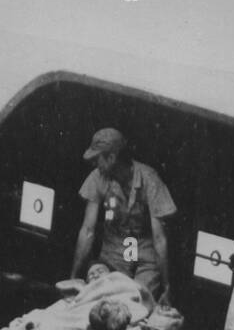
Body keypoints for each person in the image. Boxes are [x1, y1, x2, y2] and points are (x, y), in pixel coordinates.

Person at [72, 128, 176, 300]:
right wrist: (74, 277)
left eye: (98, 159)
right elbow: (87, 230)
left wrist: (167, 286)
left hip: (145, 251)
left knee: (138, 301)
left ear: (111, 158)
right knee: (103, 298)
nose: (95, 164)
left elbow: (159, 238)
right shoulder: (98, 177)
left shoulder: (149, 179)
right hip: (113, 249)